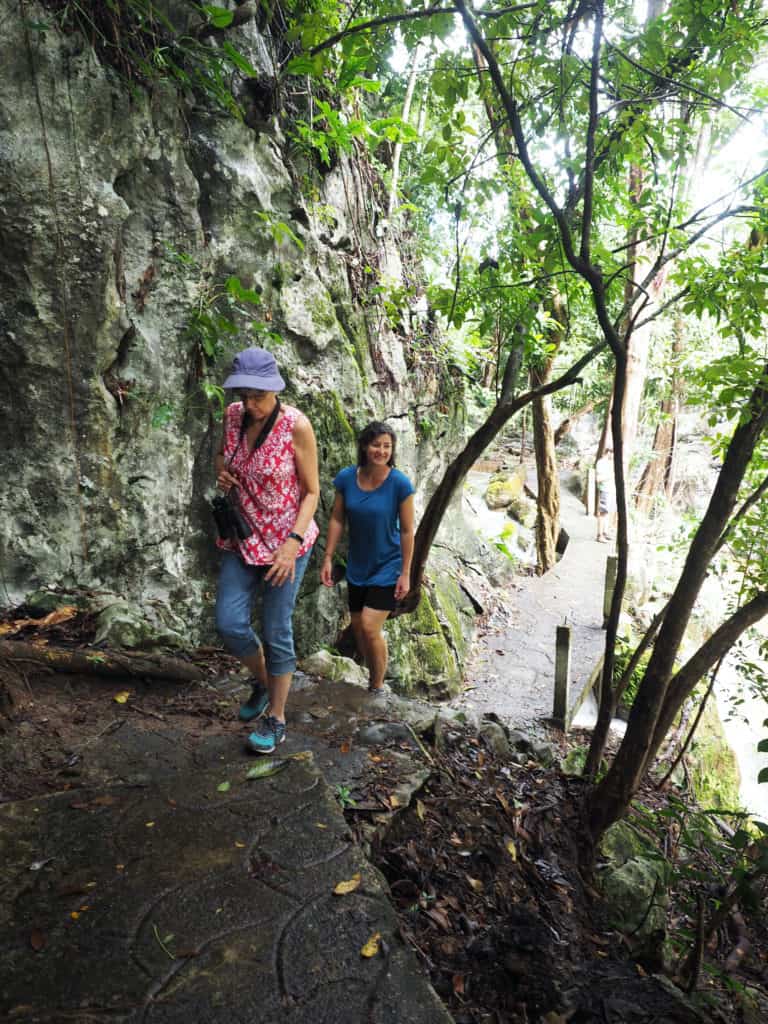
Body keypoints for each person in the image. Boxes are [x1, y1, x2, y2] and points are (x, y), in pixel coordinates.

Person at [214, 347, 319, 754]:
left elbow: (312, 493)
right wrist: (222, 474)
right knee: (229, 622)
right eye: (246, 394)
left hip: (286, 543)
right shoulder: (233, 417)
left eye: (259, 395)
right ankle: (262, 680)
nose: (251, 403)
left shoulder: (296, 425)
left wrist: (291, 545)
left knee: (277, 629)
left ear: (275, 390)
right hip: (242, 537)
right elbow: (225, 460)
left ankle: (276, 717)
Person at [321, 421, 415, 694]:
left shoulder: (399, 483)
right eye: (376, 445)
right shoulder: (347, 478)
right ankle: (371, 675)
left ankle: (376, 687)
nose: (382, 451)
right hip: (358, 565)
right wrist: (328, 557)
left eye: (387, 446)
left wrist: (405, 572)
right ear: (364, 446)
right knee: (360, 628)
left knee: (371, 628)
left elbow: (408, 530)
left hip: (389, 563)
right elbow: (337, 519)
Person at [595, 447, 616, 543]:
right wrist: (611, 475)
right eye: (613, 454)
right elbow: (598, 479)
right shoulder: (601, 463)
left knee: (607, 512)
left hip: (611, 490)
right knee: (603, 513)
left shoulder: (610, 463)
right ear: (608, 453)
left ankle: (605, 532)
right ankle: (599, 535)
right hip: (605, 490)